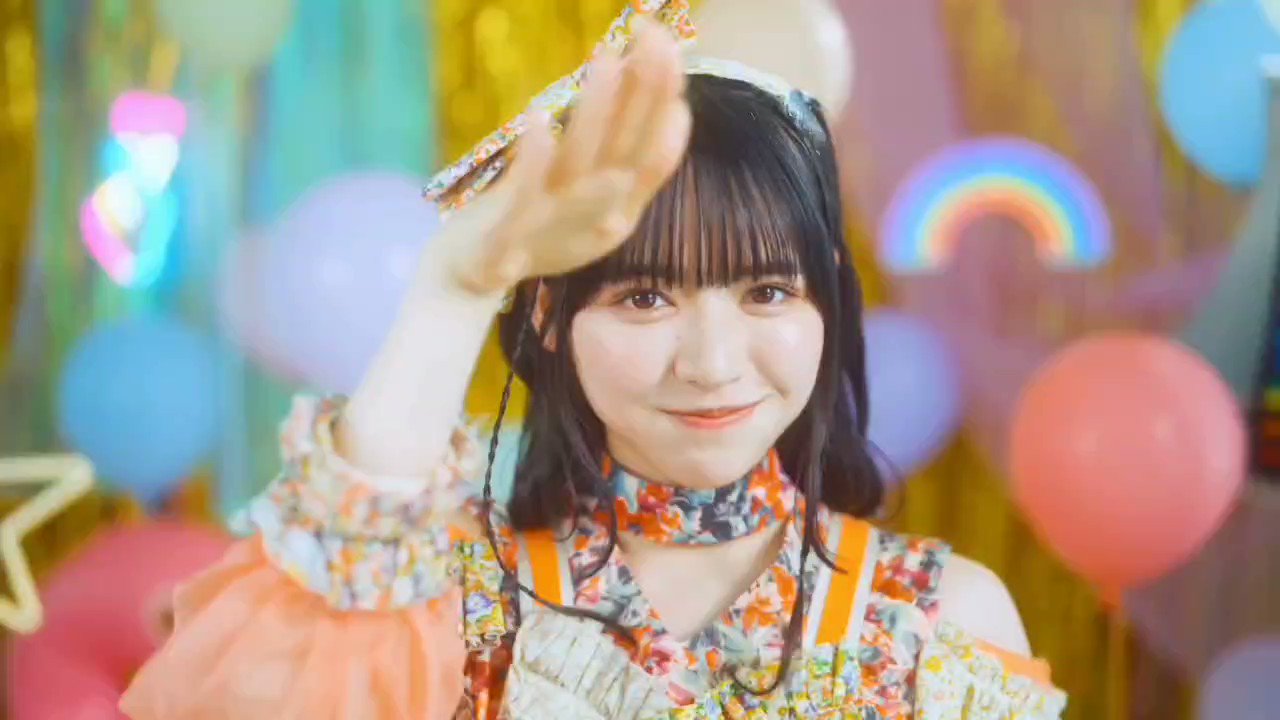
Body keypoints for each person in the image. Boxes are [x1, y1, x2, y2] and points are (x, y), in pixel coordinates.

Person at [121, 2, 1066, 717]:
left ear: (828, 302)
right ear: (547, 315)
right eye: (645, 297)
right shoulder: (449, 597)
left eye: (767, 292)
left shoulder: (940, 624)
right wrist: (453, 288)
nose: (712, 362)